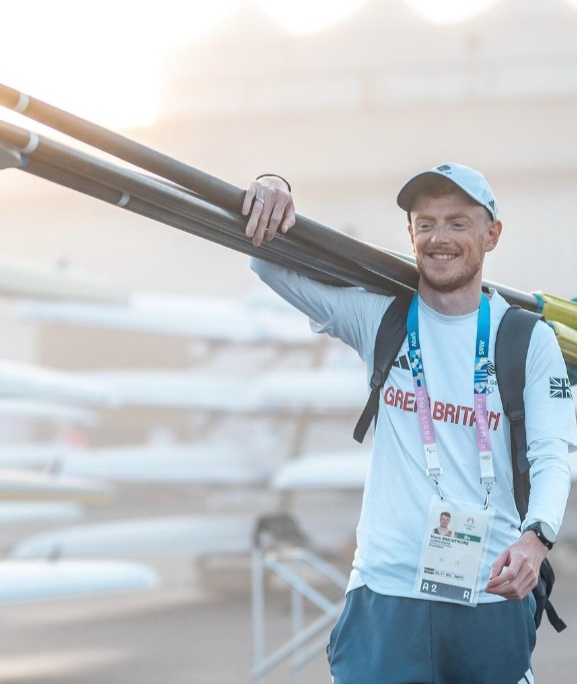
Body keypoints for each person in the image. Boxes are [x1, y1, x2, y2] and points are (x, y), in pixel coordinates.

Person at [242, 164, 576, 684]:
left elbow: (553, 453)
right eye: (426, 224)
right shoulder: (380, 319)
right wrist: (273, 190)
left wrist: (537, 539)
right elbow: (272, 269)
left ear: (492, 234)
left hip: (490, 585)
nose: (439, 239)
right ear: (411, 234)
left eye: (458, 223)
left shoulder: (527, 339)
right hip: (386, 590)